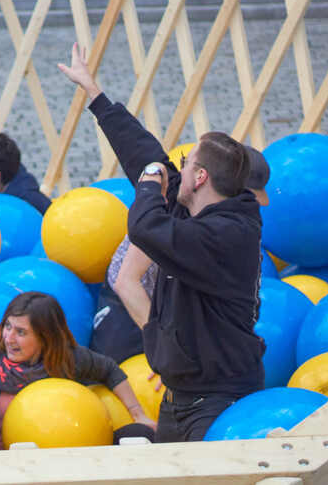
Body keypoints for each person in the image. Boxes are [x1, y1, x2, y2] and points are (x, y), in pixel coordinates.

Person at [59, 43, 264, 443]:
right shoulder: (199, 209)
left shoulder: (227, 236)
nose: (178, 169)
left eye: (186, 164)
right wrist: (96, 95)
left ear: (201, 178)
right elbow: (146, 154)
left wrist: (151, 185)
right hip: (181, 394)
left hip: (221, 399)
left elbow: (147, 225)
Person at [0, 291, 155, 450]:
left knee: (142, 434)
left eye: (21, 332)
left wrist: (137, 413)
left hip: (55, 455)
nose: (9, 338)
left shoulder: (66, 359)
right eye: (8, 326)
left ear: (45, 338)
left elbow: (109, 369)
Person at [91, 147, 271, 364]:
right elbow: (126, 282)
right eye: (248, 196)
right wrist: (165, 348)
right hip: (131, 304)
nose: (262, 204)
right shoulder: (177, 209)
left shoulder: (232, 225)